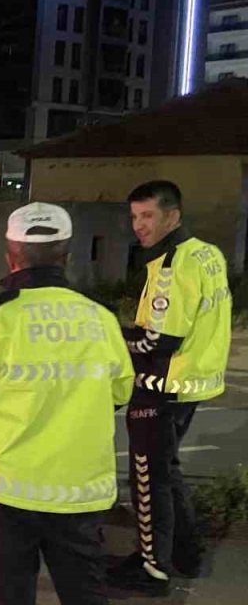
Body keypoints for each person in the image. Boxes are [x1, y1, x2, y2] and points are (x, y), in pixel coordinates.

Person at [0, 203, 134, 605]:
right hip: (81, 494)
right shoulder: (101, 319)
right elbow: (119, 394)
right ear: (67, 257)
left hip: (4, 494)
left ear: (11, 256)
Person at [108, 181, 230, 596]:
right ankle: (184, 553)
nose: (138, 225)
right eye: (134, 216)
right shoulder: (206, 254)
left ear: (172, 216)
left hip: (163, 387)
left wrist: (112, 334)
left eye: (148, 216)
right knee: (167, 471)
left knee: (147, 478)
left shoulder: (172, 266)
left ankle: (153, 569)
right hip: (192, 384)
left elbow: (157, 342)